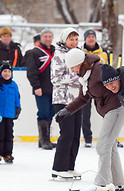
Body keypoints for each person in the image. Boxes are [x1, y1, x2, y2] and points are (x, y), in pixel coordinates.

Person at [55, 49, 124, 187]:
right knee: (110, 146)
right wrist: (67, 110)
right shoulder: (84, 77)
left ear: (81, 63)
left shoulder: (99, 69)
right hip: (109, 112)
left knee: (103, 145)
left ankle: (102, 183)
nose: (72, 71)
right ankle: (118, 183)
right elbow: (83, 98)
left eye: (73, 67)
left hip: (117, 108)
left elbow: (119, 80)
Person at [50, 28, 82, 179]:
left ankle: (69, 167)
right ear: (64, 40)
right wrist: (75, 76)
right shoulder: (59, 55)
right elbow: (55, 79)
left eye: (76, 39)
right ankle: (59, 167)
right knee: (67, 133)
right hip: (62, 100)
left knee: (75, 134)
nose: (74, 42)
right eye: (71, 39)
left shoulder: (79, 54)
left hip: (78, 100)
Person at [26, 28, 56, 150]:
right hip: (41, 89)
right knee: (43, 113)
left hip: (53, 88)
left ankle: (45, 139)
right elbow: (31, 72)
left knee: (51, 112)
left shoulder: (55, 51)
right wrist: (36, 86)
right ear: (41, 38)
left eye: (50, 36)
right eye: (45, 36)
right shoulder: (35, 52)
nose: (48, 38)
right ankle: (44, 140)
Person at [81, 29, 109, 148]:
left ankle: (110, 136)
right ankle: (88, 138)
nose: (91, 39)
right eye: (89, 37)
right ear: (85, 39)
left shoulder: (103, 53)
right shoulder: (80, 52)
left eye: (93, 37)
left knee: (106, 113)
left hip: (100, 87)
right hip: (86, 87)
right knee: (85, 114)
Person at [0, 61, 21, 163]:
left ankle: (8, 154)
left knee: (9, 135)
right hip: (0, 115)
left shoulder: (14, 85)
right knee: (0, 134)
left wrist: (18, 109)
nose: (7, 73)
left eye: (9, 71)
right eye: (4, 71)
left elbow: (17, 98)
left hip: (9, 114)